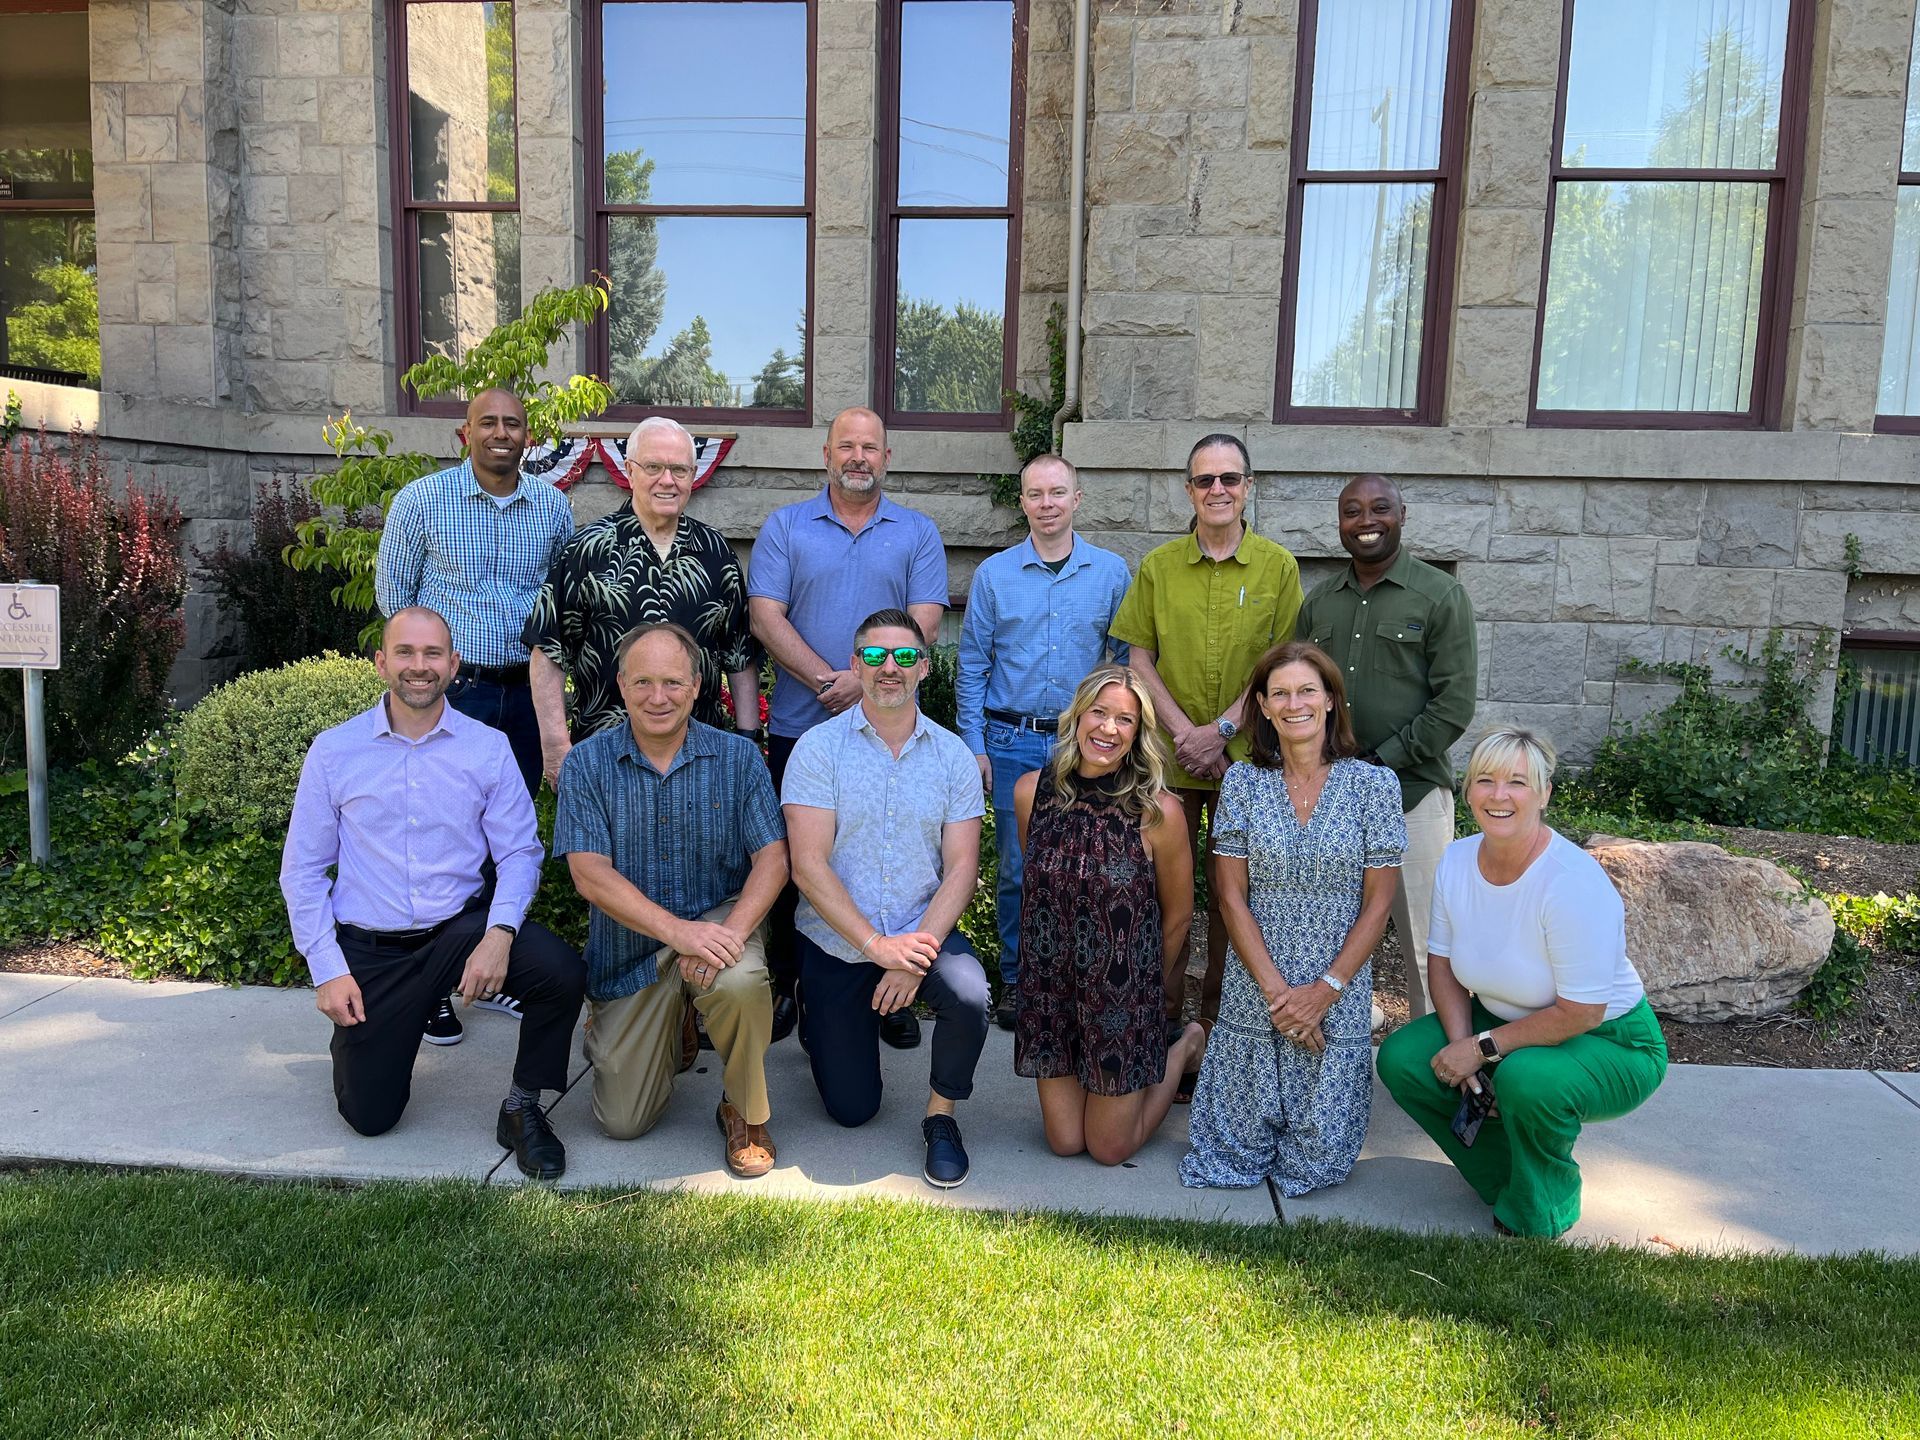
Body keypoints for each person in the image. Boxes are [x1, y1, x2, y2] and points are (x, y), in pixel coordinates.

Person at [279, 607, 586, 1180]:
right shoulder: (335, 751)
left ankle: (523, 1109)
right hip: (373, 951)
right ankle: (368, 1040)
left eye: (433, 654)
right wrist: (328, 969)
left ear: (454, 664)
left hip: (459, 933)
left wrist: (499, 934)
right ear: (381, 663)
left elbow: (520, 852)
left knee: (560, 971)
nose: (419, 667)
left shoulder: (487, 748)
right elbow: (302, 870)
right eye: (405, 653)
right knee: (369, 1117)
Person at [1377, 729, 1668, 1239]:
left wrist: (1482, 1048)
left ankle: (1542, 1209)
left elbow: (1582, 1012)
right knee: (1404, 1059)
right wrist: (1459, 1044)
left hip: (1611, 1040)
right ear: (1467, 792)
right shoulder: (1458, 859)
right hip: (1509, 1022)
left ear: (1544, 793)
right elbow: (1440, 964)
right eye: (1485, 780)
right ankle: (1508, 1177)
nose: (1499, 795)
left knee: (1526, 1080)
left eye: (1517, 782)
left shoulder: (1570, 882)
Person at [554, 623, 788, 1178]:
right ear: (620, 684)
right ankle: (667, 1019)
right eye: (642, 683)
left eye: (672, 683)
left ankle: (744, 1108)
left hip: (720, 924)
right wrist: (679, 935)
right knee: (624, 1123)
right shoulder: (586, 765)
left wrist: (726, 936)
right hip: (631, 947)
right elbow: (589, 875)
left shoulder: (738, 758)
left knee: (739, 979)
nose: (657, 697)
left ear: (696, 684)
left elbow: (773, 859)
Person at [376, 387, 573, 1042]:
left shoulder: (553, 508)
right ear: (466, 434)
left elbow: (560, 607)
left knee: (504, 836)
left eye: (512, 423)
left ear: (528, 436)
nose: (500, 432)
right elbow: (394, 601)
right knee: (435, 835)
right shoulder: (421, 503)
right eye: (487, 422)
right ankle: (427, 984)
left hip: (523, 693)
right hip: (451, 695)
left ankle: (487, 971)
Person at [749, 407, 947, 1049]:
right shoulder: (786, 526)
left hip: (889, 729)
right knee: (790, 863)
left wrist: (865, 681)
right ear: (825, 455)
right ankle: (791, 984)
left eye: (871, 447)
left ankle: (892, 986)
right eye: (847, 447)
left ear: (887, 457)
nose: (858, 457)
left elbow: (922, 623)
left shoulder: (917, 532)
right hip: (800, 725)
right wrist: (827, 683)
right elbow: (764, 616)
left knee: (890, 854)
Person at [1109, 433, 1303, 1078]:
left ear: (1248, 486)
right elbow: (1138, 657)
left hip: (1247, 763)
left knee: (1233, 899)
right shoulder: (1160, 567)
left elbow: (1282, 664)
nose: (1217, 489)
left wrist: (1220, 729)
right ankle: (1158, 1027)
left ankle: (1217, 1031)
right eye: (1204, 480)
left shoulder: (1278, 567)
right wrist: (1186, 732)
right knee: (1161, 896)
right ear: (1187, 489)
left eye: (1230, 478)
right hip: (1167, 761)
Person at [1180, 641, 1405, 1196]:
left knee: (1318, 1162)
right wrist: (1278, 992)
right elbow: (1230, 897)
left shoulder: (1375, 786)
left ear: (1331, 700)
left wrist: (1324, 992)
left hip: (1338, 975)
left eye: (1308, 690)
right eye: (1279, 693)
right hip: (1259, 972)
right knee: (1229, 1154)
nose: (1294, 703)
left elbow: (1379, 904)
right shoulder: (1243, 783)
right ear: (1261, 704)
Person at [781, 609, 991, 1189]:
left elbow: (962, 869)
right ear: (855, 666)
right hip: (838, 940)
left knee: (970, 995)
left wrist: (913, 955)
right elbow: (809, 865)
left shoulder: (953, 757)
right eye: (875, 657)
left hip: (921, 929)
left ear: (925, 667)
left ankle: (941, 1119)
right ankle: (817, 1007)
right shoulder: (818, 750)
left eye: (904, 656)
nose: (889, 668)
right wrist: (876, 947)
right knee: (853, 1110)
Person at [956, 454, 1131, 1030]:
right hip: (1012, 742)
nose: (1047, 503)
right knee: (1017, 868)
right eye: (1036, 494)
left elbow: (1125, 666)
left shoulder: (1111, 573)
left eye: (1058, 492)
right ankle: (1015, 979)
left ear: (1077, 499)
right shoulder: (995, 575)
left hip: (1088, 746)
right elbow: (973, 664)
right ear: (1023, 502)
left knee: (1091, 868)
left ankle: (1076, 978)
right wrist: (974, 744)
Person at [1297, 474, 1476, 1022]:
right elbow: (1302, 692)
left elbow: (1454, 704)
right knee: (1329, 940)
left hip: (1413, 797)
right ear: (1340, 524)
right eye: (1352, 512)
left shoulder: (1440, 595)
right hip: (1332, 800)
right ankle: (1335, 1063)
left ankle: (1442, 1072)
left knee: (1429, 947)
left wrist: (1380, 765)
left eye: (1380, 508)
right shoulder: (1320, 601)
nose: (1366, 521)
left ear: (1403, 513)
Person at [1012, 664, 1205, 1166]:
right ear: (1077, 717)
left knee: (1108, 1149)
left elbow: (1180, 914)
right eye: (1099, 712)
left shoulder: (1158, 812)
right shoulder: (1030, 792)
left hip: (1123, 998)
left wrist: (1141, 992)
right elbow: (1039, 896)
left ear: (1138, 734)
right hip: (1054, 994)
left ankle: (1182, 1047)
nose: (1108, 729)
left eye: (1125, 720)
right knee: (1065, 1142)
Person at [525, 416, 762, 788]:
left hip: (701, 762)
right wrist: (556, 748)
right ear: (629, 470)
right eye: (653, 466)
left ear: (693, 475)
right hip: (603, 760)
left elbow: (739, 654)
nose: (667, 480)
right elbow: (549, 651)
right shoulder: (587, 549)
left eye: (679, 469)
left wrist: (748, 740)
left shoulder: (717, 553)